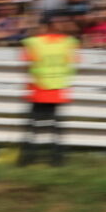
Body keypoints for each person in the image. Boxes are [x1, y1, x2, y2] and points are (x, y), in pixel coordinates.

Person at [18, 16, 80, 166]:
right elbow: (74, 62)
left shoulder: (33, 42)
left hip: (38, 89)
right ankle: (58, 159)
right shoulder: (69, 42)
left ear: (44, 26)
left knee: (32, 127)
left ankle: (27, 158)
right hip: (58, 90)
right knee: (56, 126)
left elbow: (26, 64)